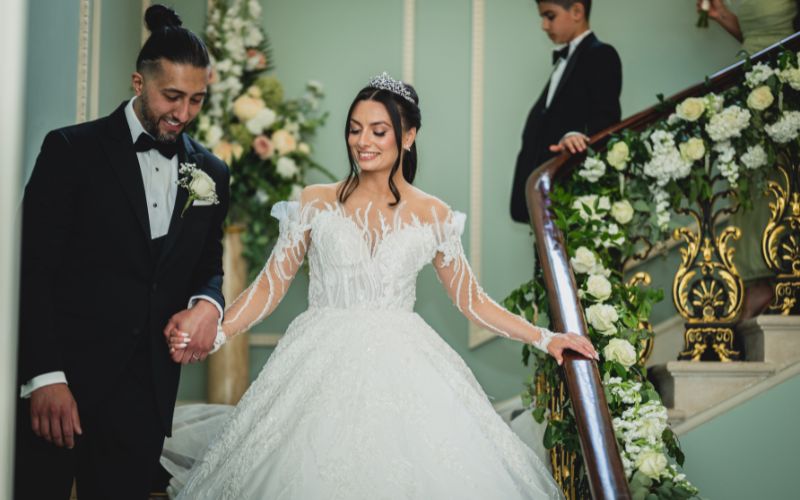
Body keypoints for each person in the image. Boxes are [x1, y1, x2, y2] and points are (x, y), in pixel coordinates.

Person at [162, 73, 597, 500]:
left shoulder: (433, 214)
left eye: (378, 130)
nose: (362, 141)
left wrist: (547, 338)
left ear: (408, 137)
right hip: (316, 363)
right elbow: (269, 287)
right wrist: (216, 331)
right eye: (354, 130)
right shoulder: (315, 201)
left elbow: (473, 301)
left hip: (404, 364)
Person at [15, 5, 229, 499]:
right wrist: (44, 377)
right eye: (171, 96)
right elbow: (32, 268)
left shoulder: (211, 174)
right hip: (61, 388)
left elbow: (208, 265)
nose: (183, 113)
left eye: (197, 100)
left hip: (144, 400)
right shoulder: (71, 151)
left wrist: (207, 305)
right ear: (139, 82)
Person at [696, 0, 799, 319]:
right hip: (751, 78)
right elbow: (753, 33)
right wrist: (720, 15)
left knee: (784, 174)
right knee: (752, 179)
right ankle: (759, 282)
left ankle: (783, 276)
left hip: (789, 83)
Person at [510, 0, 622, 223]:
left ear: (577, 11)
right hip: (547, 198)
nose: (544, 25)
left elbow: (607, 119)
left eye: (550, 16)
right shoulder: (566, 60)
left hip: (572, 198)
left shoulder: (601, 55)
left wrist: (576, 135)